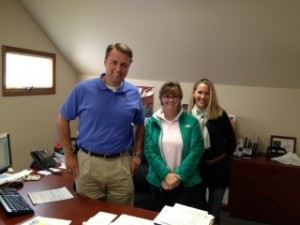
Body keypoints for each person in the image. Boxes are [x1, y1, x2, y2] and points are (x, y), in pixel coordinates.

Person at [57, 43, 145, 206]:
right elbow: (63, 118)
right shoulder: (83, 89)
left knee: (123, 217)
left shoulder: (133, 93)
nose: (118, 69)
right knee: (88, 214)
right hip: (89, 164)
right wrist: (69, 155)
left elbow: (141, 124)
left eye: (124, 65)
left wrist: (138, 154)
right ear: (105, 61)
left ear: (129, 66)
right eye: (114, 62)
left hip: (120, 165)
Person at [144, 81, 204, 211]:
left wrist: (177, 176)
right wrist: (166, 175)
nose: (170, 100)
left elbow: (196, 151)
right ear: (161, 99)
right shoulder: (152, 122)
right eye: (166, 96)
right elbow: (149, 151)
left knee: (180, 220)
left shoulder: (192, 122)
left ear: (180, 99)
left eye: (175, 96)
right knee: (159, 217)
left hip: (186, 183)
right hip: (158, 181)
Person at [188, 78, 237, 225]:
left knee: (214, 214)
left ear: (211, 95)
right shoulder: (187, 116)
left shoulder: (220, 114)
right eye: (200, 92)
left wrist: (222, 159)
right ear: (193, 94)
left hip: (218, 168)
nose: (203, 96)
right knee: (199, 211)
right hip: (197, 169)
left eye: (207, 93)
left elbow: (231, 143)